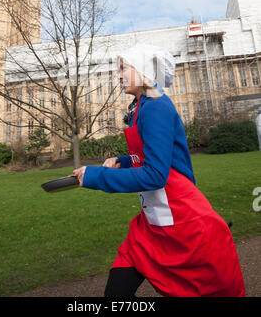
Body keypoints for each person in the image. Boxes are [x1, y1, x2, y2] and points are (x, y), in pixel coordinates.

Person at [73, 43, 245, 298]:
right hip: (153, 220)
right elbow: (155, 157)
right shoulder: (142, 105)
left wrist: (97, 176)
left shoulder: (156, 107)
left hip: (180, 218)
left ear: (141, 70)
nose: (119, 75)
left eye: (124, 68)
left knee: (211, 287)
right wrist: (124, 161)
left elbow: (156, 174)